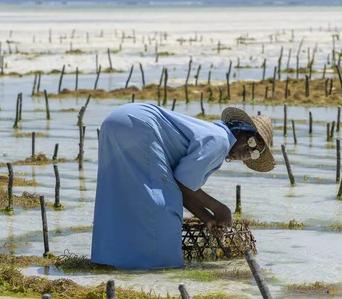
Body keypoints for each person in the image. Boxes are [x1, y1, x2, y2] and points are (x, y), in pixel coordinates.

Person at [90, 104, 275, 269]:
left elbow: (183, 189)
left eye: (255, 154)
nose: (248, 152)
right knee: (163, 207)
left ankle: (110, 259)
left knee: (119, 195)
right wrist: (220, 208)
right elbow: (182, 185)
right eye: (250, 142)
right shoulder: (220, 140)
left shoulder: (214, 138)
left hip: (116, 121)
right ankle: (162, 267)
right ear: (239, 130)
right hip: (140, 125)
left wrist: (208, 219)